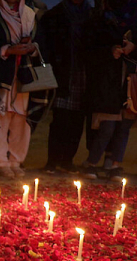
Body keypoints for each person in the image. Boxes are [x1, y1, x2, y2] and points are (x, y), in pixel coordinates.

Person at [0, 0, 42, 179]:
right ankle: (1, 161)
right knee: (1, 117)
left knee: (21, 118)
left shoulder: (29, 14)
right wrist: (8, 50)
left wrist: (32, 48)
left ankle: (16, 160)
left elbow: (42, 42)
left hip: (24, 75)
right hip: (2, 76)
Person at [81, 0, 137, 181]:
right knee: (107, 125)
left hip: (129, 79)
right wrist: (110, 50)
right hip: (107, 79)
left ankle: (115, 164)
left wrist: (133, 47)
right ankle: (92, 162)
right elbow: (90, 46)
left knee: (124, 126)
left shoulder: (133, 15)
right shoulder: (99, 17)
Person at [40, 0, 92, 175]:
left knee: (77, 119)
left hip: (83, 70)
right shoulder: (55, 15)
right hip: (63, 70)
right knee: (60, 118)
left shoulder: (90, 14)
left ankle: (67, 160)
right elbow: (47, 44)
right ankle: (53, 161)